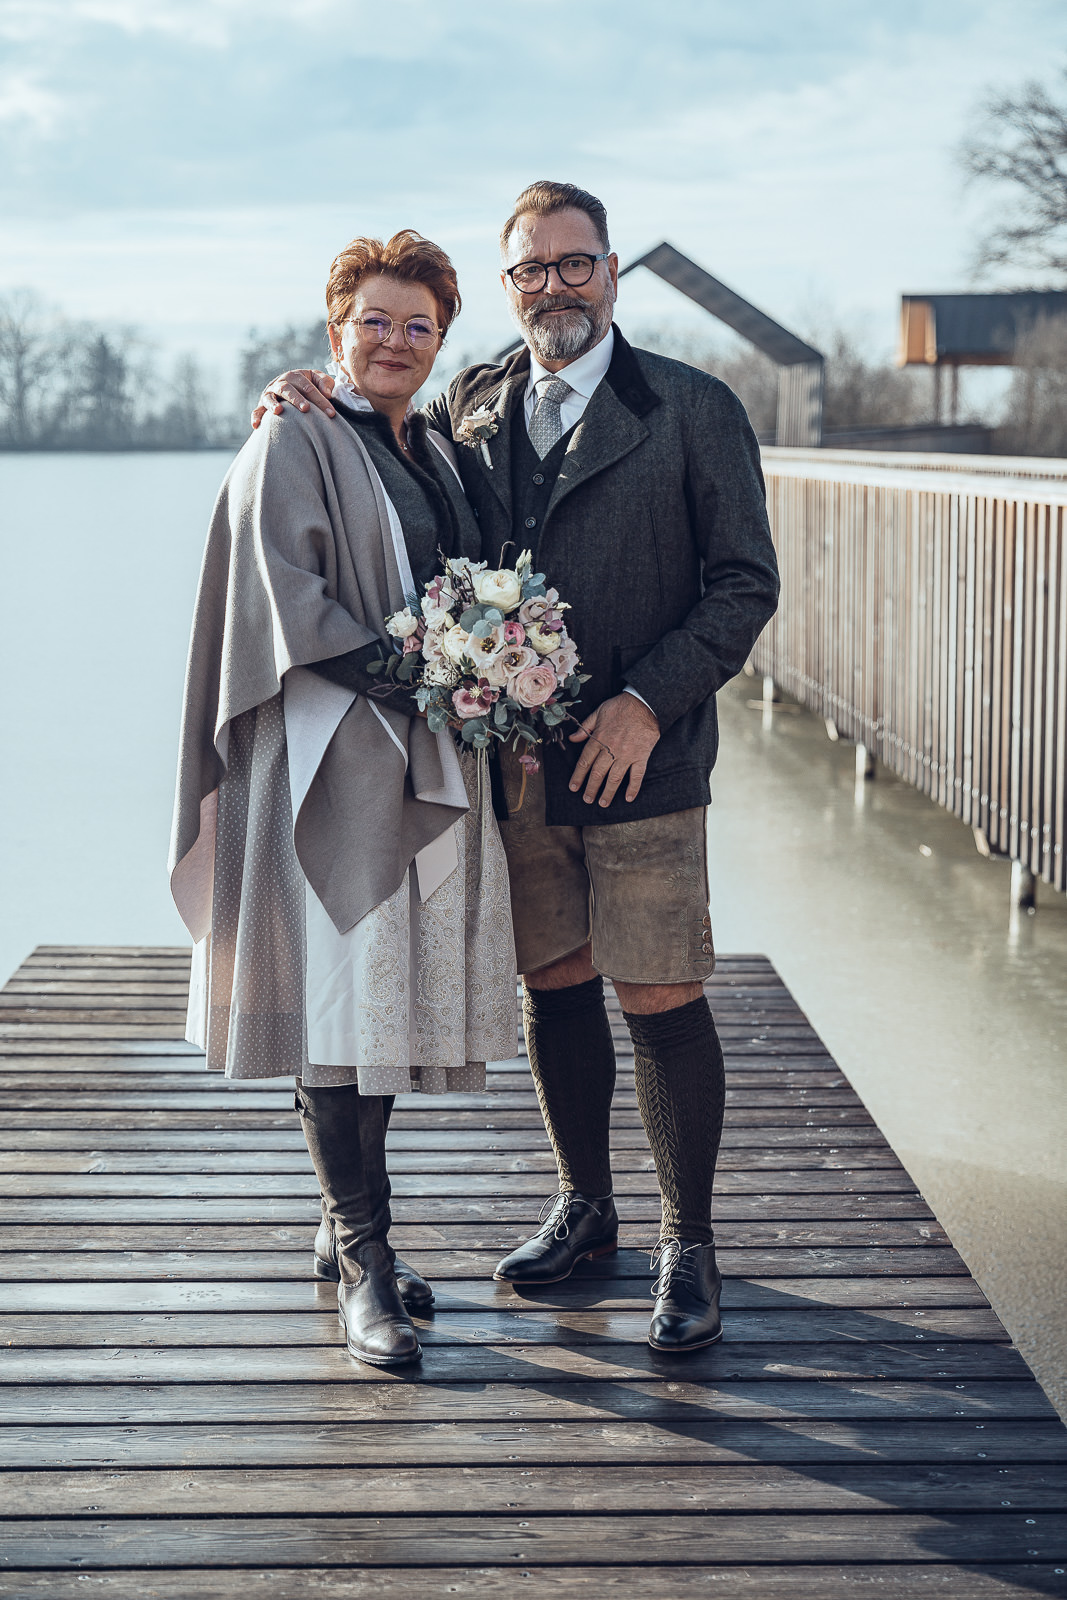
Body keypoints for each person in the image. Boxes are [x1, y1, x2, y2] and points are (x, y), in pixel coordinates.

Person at [255, 181, 780, 1353]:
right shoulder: (468, 402)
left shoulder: (693, 408)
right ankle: (584, 1209)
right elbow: (369, 433)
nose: (553, 285)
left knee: (658, 990)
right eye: (529, 269)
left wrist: (646, 701)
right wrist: (295, 391)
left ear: (610, 271)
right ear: (507, 287)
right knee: (557, 981)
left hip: (645, 758)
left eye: (574, 262)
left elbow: (744, 582)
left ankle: (687, 1246)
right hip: (515, 769)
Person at [170, 230, 517, 1368]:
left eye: (418, 325)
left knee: (385, 1004)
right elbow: (286, 595)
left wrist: (484, 666)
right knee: (339, 1010)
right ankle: (366, 1259)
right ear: (335, 329)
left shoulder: (441, 448)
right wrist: (427, 669)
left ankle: (342, 1225)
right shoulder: (295, 432)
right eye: (375, 320)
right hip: (334, 751)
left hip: (425, 747)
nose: (396, 342)